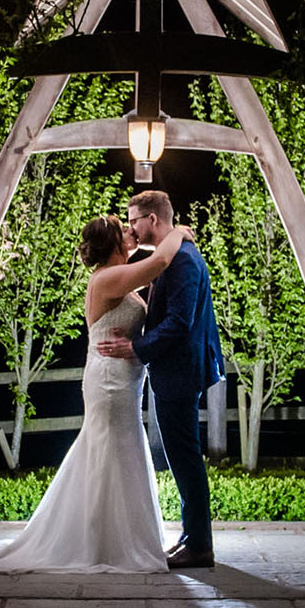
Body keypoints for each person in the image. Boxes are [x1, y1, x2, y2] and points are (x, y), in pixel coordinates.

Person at [0, 210, 191, 570]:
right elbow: (161, 261)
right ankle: (102, 544)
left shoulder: (115, 277)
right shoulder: (108, 279)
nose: (130, 233)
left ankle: (118, 537)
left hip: (123, 379)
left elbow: (151, 271)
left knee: (118, 449)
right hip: (110, 382)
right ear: (111, 244)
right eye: (123, 230)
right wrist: (180, 231)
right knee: (112, 449)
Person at [96, 189, 225, 568]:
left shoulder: (181, 260)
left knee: (185, 457)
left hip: (179, 372)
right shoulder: (173, 254)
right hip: (178, 370)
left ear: (152, 219)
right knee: (183, 455)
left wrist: (137, 348)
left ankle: (199, 544)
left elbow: (179, 323)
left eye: (134, 220)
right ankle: (191, 537)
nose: (132, 227)